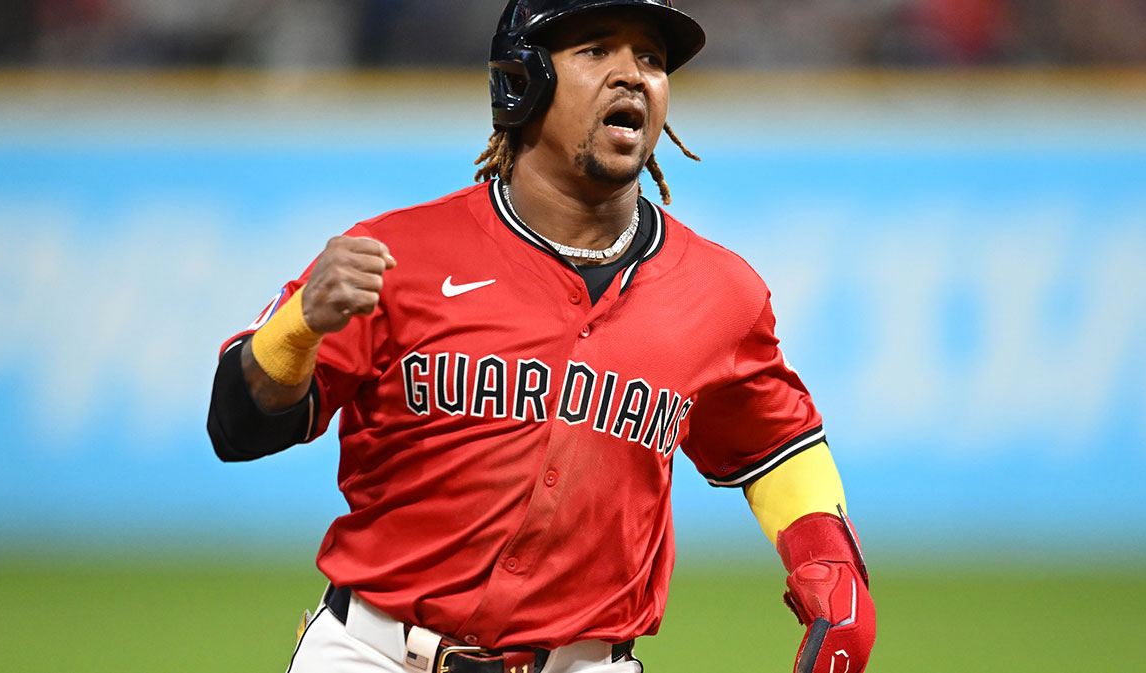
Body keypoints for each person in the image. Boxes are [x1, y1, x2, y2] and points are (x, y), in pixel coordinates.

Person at [207, 1, 876, 672]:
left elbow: (779, 448)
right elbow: (238, 425)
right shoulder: (397, 254)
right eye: (595, 51)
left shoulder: (719, 293)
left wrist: (833, 570)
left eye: (650, 58)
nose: (632, 76)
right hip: (375, 652)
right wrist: (298, 328)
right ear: (520, 82)